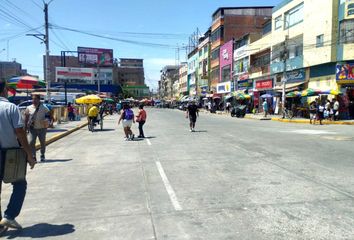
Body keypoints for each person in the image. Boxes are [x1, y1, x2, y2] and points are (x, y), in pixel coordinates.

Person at [0, 79, 36, 233]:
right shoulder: (10, 107)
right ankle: (9, 215)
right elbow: (20, 133)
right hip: (10, 153)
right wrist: (29, 155)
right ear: (5, 90)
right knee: (20, 184)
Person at [25, 95, 50, 162]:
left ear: (39, 100)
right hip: (32, 128)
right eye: (33, 99)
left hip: (42, 128)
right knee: (31, 142)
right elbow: (26, 117)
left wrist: (47, 120)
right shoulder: (29, 108)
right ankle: (33, 156)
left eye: (35, 99)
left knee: (42, 142)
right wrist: (25, 127)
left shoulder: (44, 107)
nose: (34, 100)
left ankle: (42, 155)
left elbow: (49, 113)